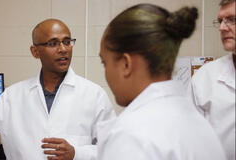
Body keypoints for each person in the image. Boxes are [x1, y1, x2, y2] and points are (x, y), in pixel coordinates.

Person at [0, 19, 115, 160]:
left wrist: (77, 153)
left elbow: (115, 150)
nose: (63, 49)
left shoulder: (94, 95)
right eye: (53, 43)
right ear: (35, 52)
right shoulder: (13, 97)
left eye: (67, 41)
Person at [97, 4, 227, 160]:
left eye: (105, 63)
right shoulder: (201, 125)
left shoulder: (131, 134)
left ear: (126, 64)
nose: (105, 72)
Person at [189, 0, 235, 159]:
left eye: (232, 20)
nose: (222, 27)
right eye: (221, 21)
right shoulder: (205, 78)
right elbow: (192, 142)